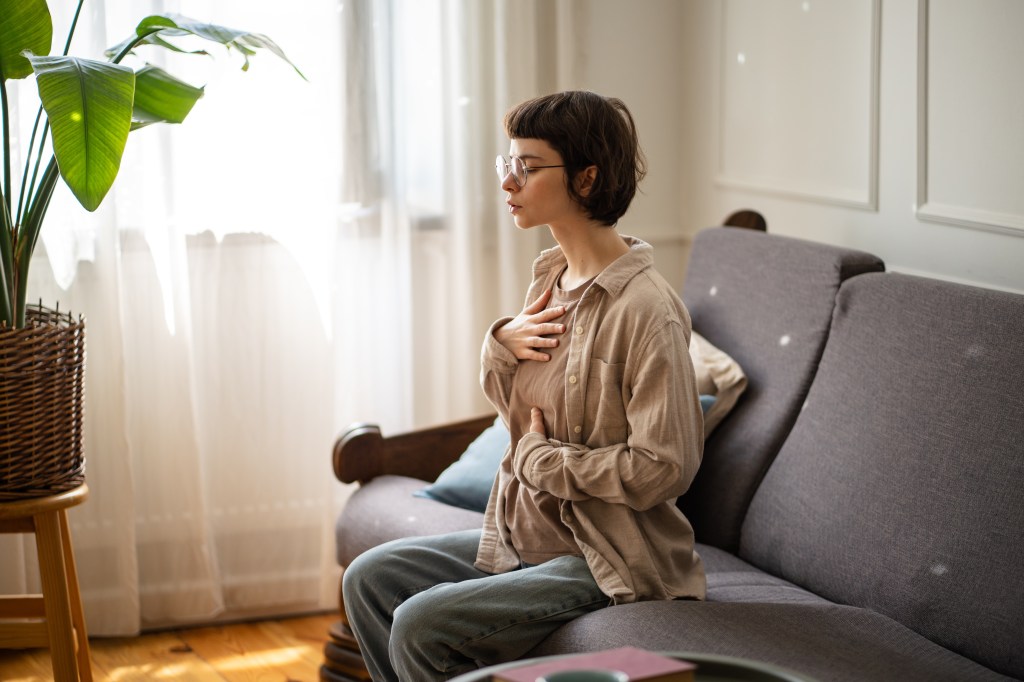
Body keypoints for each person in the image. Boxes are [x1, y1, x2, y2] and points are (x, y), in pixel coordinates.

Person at [342, 90, 705, 681]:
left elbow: (665, 467)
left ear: (586, 179)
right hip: (526, 533)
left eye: (527, 167)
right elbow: (520, 412)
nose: (508, 183)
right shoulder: (552, 277)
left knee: (419, 625)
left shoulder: (647, 312)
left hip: (606, 556)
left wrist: (543, 463)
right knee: (369, 579)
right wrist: (499, 347)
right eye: (505, 165)